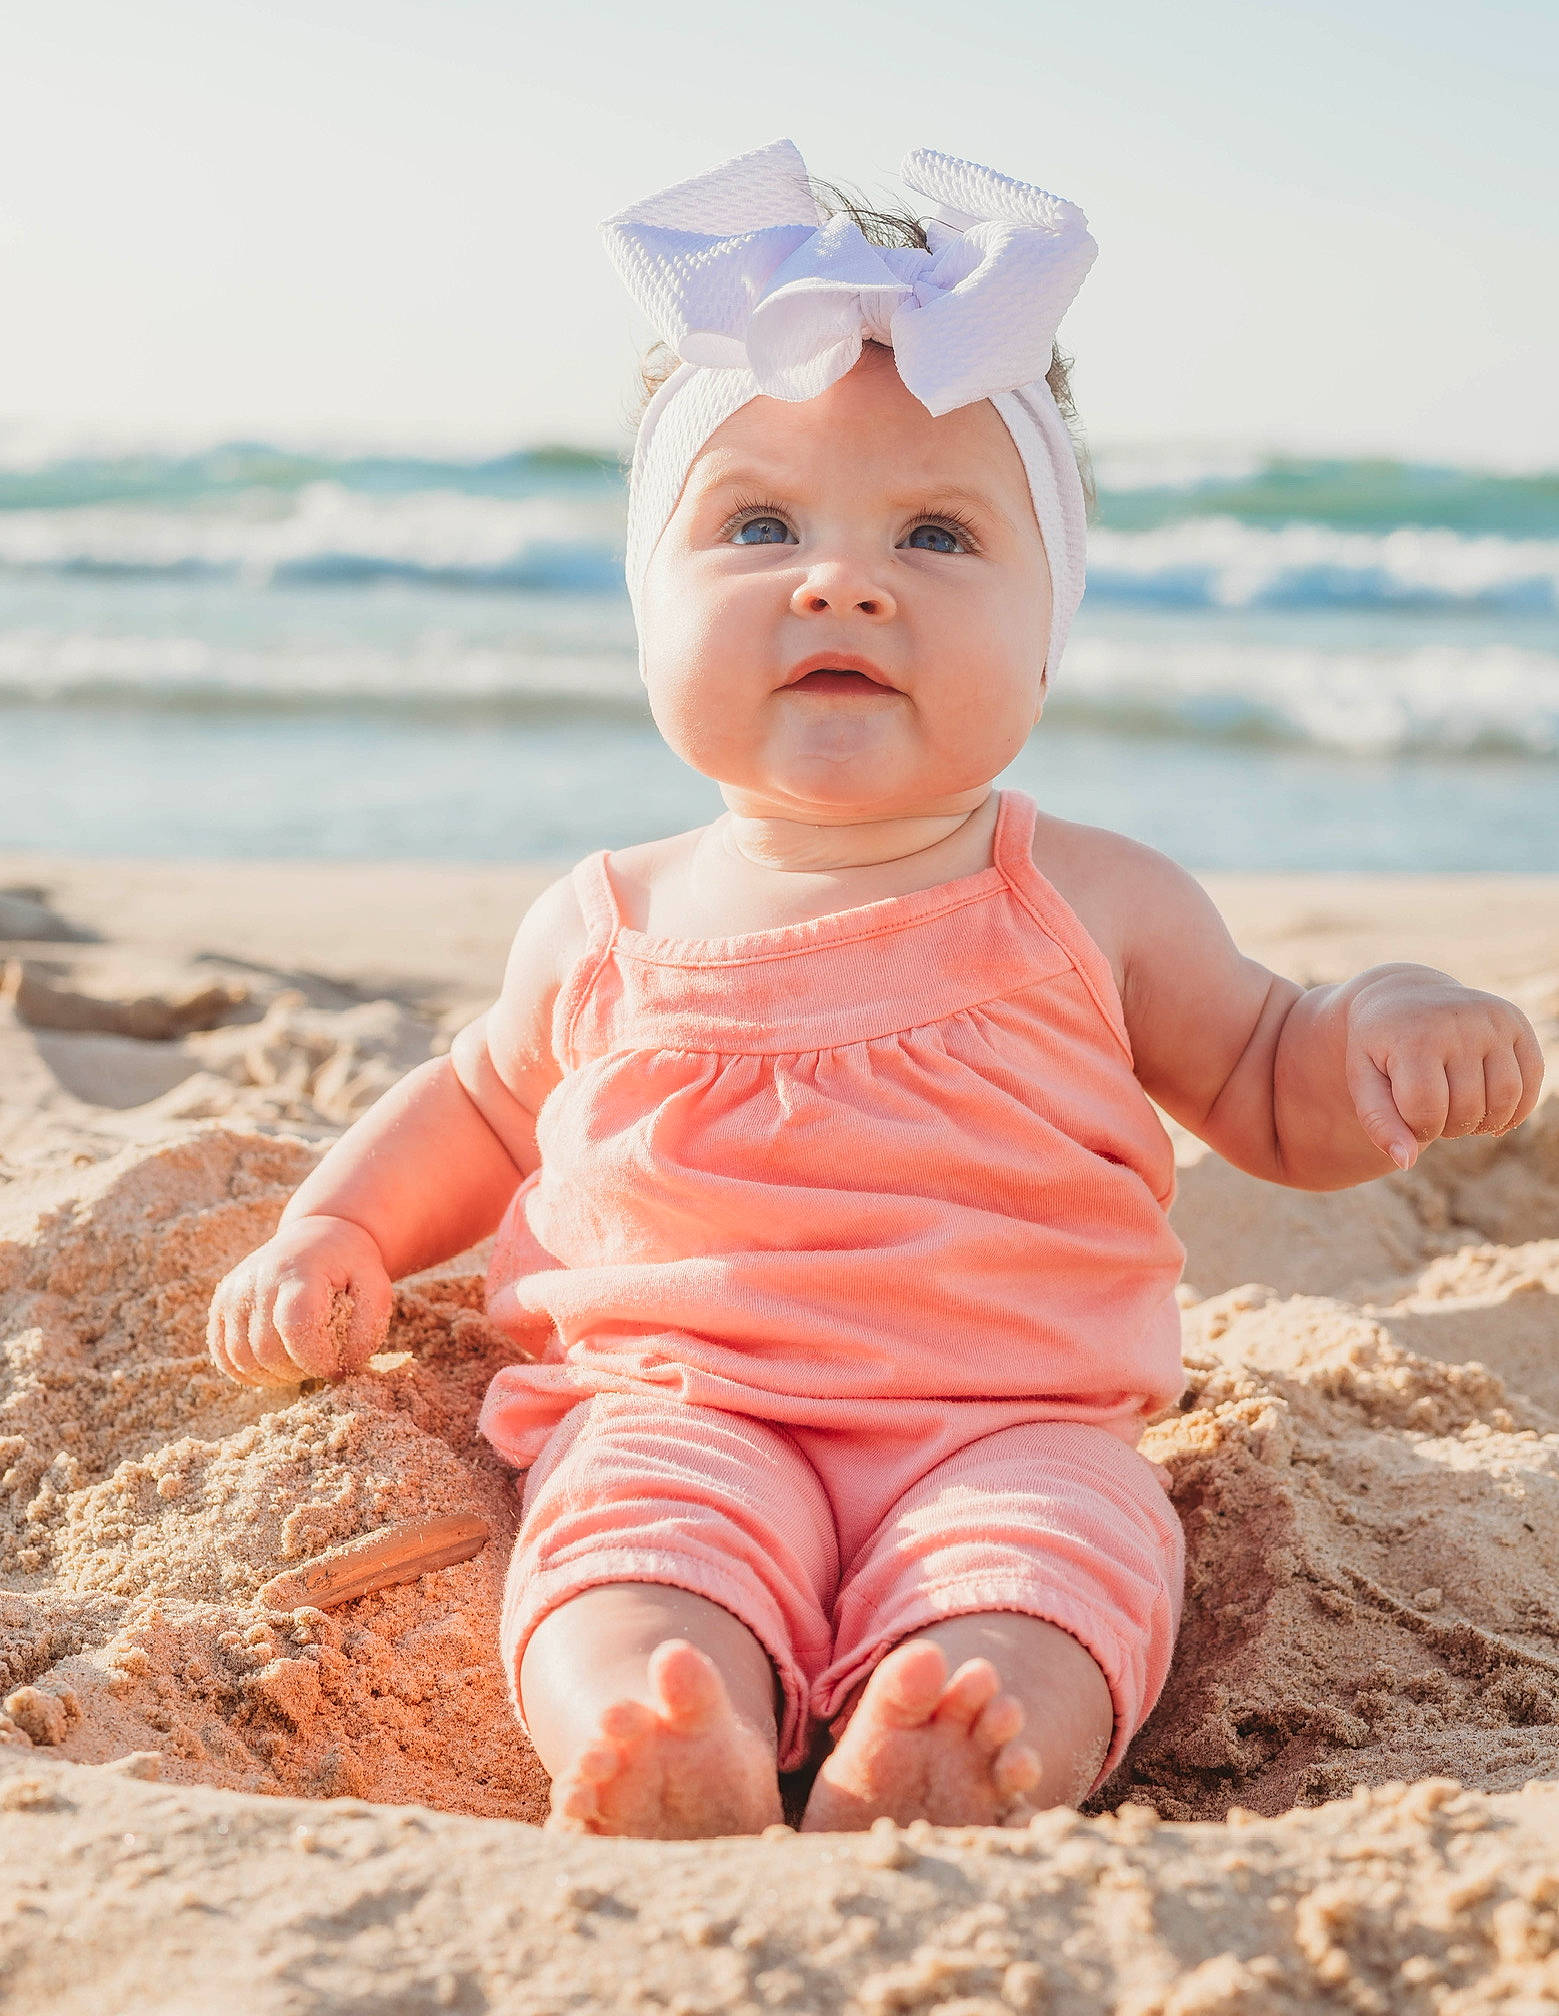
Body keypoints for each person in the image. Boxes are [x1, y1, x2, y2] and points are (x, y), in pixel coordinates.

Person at [207, 142, 1545, 1840]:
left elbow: (1280, 1078)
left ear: (1050, 621)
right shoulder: (607, 917)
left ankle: (968, 1734)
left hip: (1010, 1416)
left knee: (1061, 1565)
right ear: (647, 604)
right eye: (758, 523)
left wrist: (1387, 1033)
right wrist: (341, 1229)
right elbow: (480, 1101)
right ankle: (654, 1721)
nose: (841, 580)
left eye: (937, 531)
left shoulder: (1093, 900)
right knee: (623, 1543)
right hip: (679, 1394)